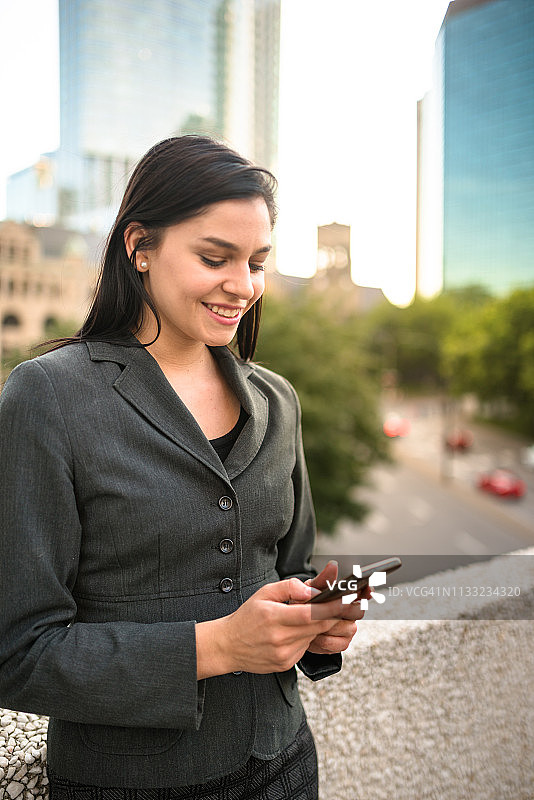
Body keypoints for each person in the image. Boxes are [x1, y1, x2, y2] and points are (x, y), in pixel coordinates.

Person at [0, 136, 367, 799]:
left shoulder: (276, 400)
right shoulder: (46, 396)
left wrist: (318, 624)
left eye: (257, 262)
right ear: (140, 245)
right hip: (136, 783)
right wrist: (219, 647)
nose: (243, 286)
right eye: (214, 257)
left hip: (285, 762)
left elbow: (291, 570)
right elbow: (18, 651)